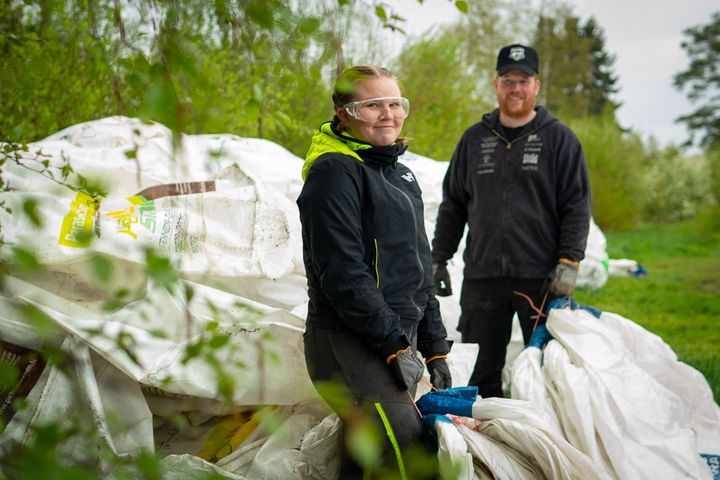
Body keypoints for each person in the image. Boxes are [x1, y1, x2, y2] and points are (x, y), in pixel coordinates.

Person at [296, 65, 453, 478]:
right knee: (408, 453)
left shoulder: (398, 172)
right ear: (344, 112)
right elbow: (343, 274)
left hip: (395, 339)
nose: (389, 114)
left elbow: (419, 267)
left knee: (365, 462)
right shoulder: (334, 172)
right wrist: (394, 345)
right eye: (372, 105)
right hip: (350, 342)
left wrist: (434, 345)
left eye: (395, 103)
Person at [431, 44, 591, 399]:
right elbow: (453, 204)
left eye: (523, 80)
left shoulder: (559, 140)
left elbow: (577, 205)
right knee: (479, 370)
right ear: (495, 84)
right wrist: (438, 257)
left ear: (536, 85)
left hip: (540, 277)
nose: (515, 88)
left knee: (547, 367)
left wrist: (569, 261)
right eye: (507, 80)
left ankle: (545, 441)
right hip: (483, 276)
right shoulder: (474, 140)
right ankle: (487, 444)